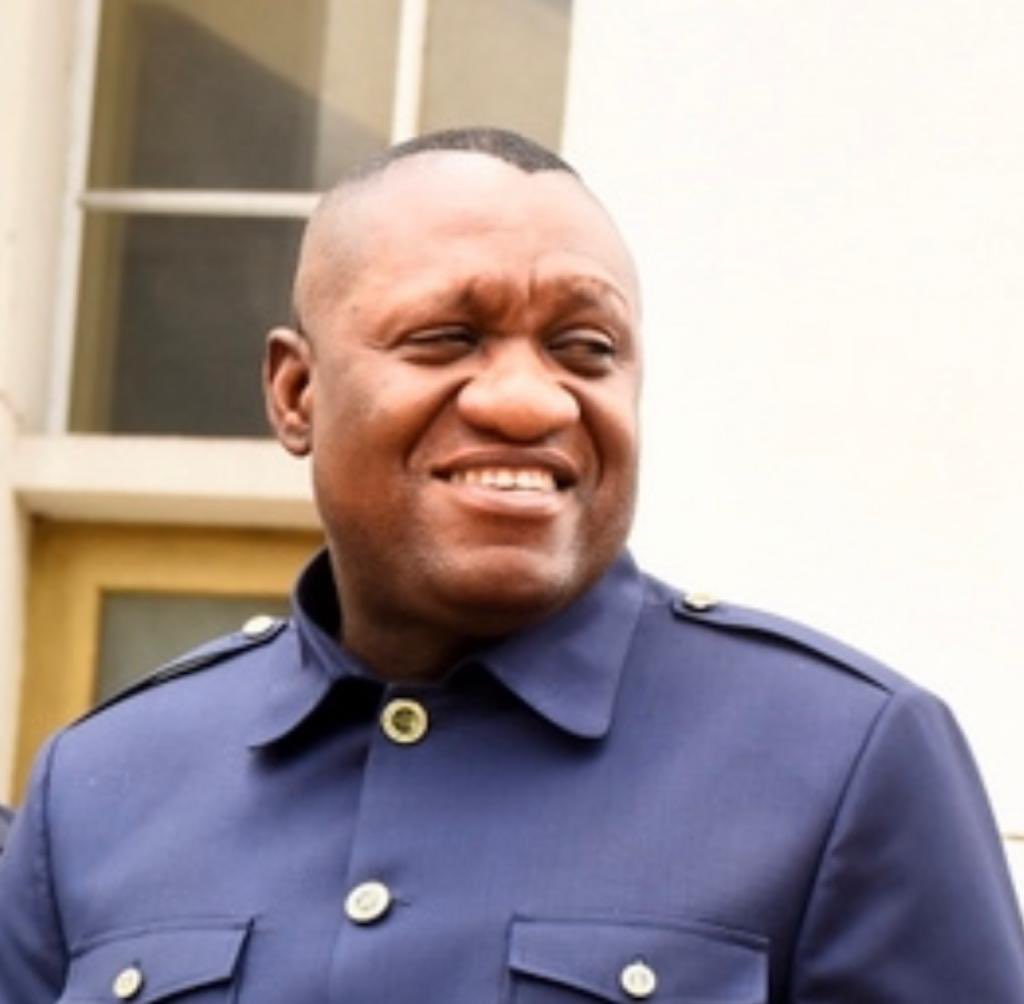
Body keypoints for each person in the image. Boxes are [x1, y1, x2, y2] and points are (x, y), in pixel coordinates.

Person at [1, 128, 1022, 1002]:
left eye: (586, 348)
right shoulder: (95, 790)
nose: (531, 402)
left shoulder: (843, 759)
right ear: (297, 394)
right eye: (447, 338)